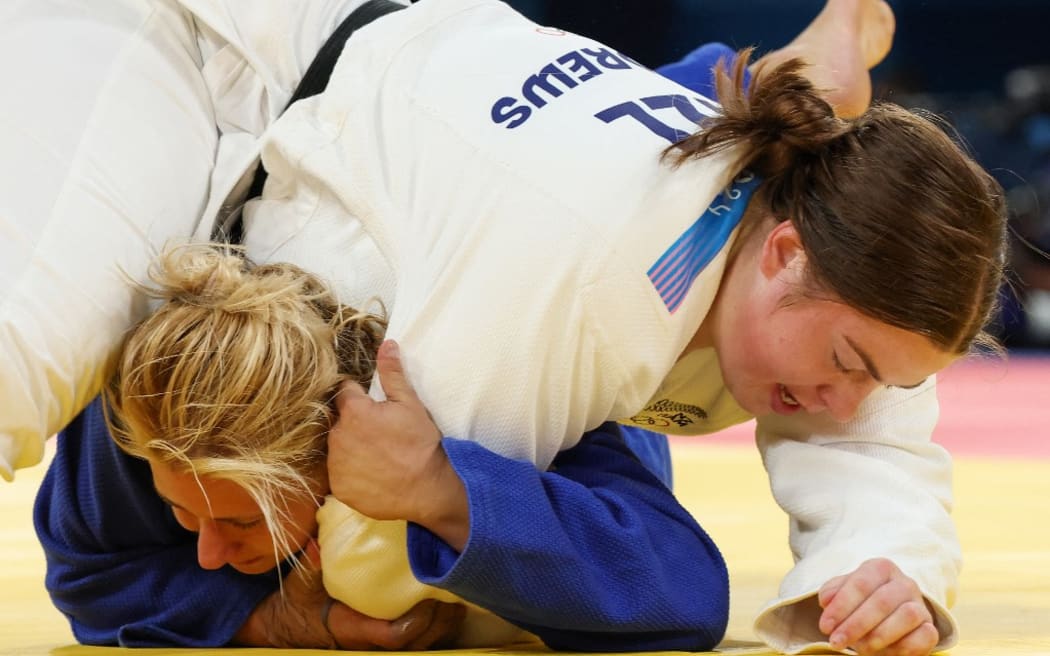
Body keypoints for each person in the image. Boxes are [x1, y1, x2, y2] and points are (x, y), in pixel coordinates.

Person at [29, 2, 1004, 656]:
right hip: (199, 46)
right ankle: (774, 90)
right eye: (847, 361)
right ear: (785, 249)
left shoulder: (528, 331)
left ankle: (783, 96)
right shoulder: (169, 408)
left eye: (232, 519)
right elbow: (96, 568)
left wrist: (884, 567)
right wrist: (268, 612)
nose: (207, 543)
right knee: (24, 354)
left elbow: (692, 574)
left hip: (415, 96)